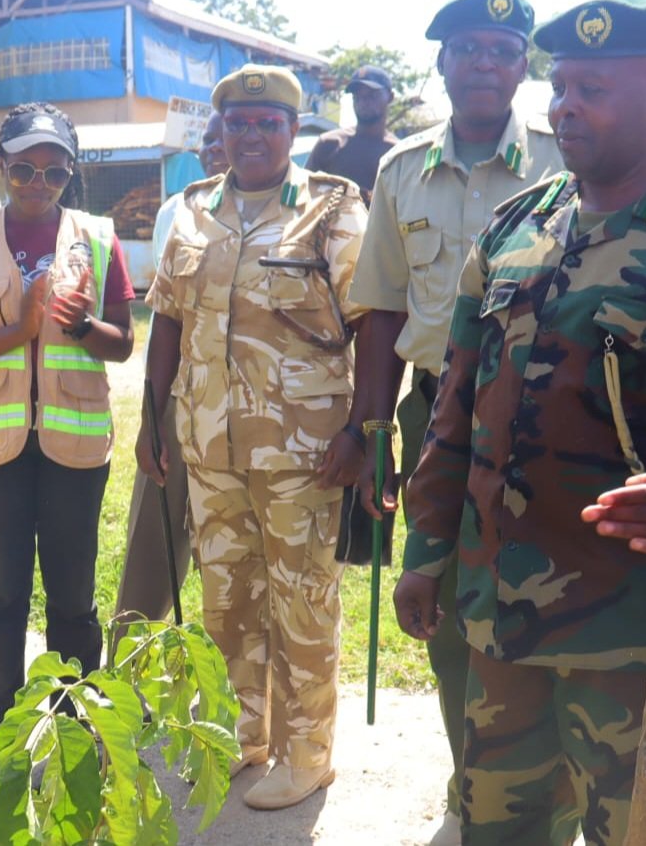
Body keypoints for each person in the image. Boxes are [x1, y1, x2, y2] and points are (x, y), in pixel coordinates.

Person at [393, 0, 646, 845]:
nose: (564, 106)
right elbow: (454, 411)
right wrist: (426, 554)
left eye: (593, 89)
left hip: (643, 646)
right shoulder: (512, 229)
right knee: (496, 829)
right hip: (499, 625)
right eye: (561, 85)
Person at [348, 0, 561, 828]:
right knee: (437, 601)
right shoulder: (401, 172)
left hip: (548, 428)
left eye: (504, 49)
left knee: (544, 593)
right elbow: (383, 311)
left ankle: (537, 782)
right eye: (468, 48)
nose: (484, 63)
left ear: (523, 69)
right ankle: (471, 778)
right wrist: (373, 435)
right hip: (435, 416)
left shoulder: (561, 159)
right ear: (440, 64)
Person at [141, 64, 374, 811]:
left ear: (292, 131)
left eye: (266, 122)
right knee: (227, 598)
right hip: (208, 443)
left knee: (302, 600)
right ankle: (245, 733)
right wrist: (154, 423)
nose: (249, 134)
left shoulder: (333, 210)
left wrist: (363, 435)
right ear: (221, 132)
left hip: (305, 451)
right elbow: (168, 320)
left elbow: (371, 326)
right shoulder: (191, 210)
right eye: (236, 122)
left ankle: (308, 753)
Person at [0, 102, 136, 788]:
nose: (37, 181)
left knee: (73, 598)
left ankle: (77, 728)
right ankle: (1, 734)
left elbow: (124, 343)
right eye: (23, 167)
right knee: (0, 596)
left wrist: (80, 328)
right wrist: (19, 331)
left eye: (53, 170)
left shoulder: (100, 239)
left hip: (75, 446)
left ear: (70, 173)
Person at [111, 111, 228, 636]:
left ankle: (227, 701)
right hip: (182, 402)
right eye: (210, 138)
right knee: (148, 559)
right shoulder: (178, 211)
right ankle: (121, 692)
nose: (218, 147)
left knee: (234, 574)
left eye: (230, 135)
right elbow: (166, 318)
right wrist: (151, 419)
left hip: (259, 422)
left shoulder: (303, 213)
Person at [306, 64, 398, 202]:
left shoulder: (397, 154)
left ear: (390, 97)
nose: (363, 102)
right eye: (358, 96)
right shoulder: (329, 144)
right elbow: (304, 196)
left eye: (371, 95)